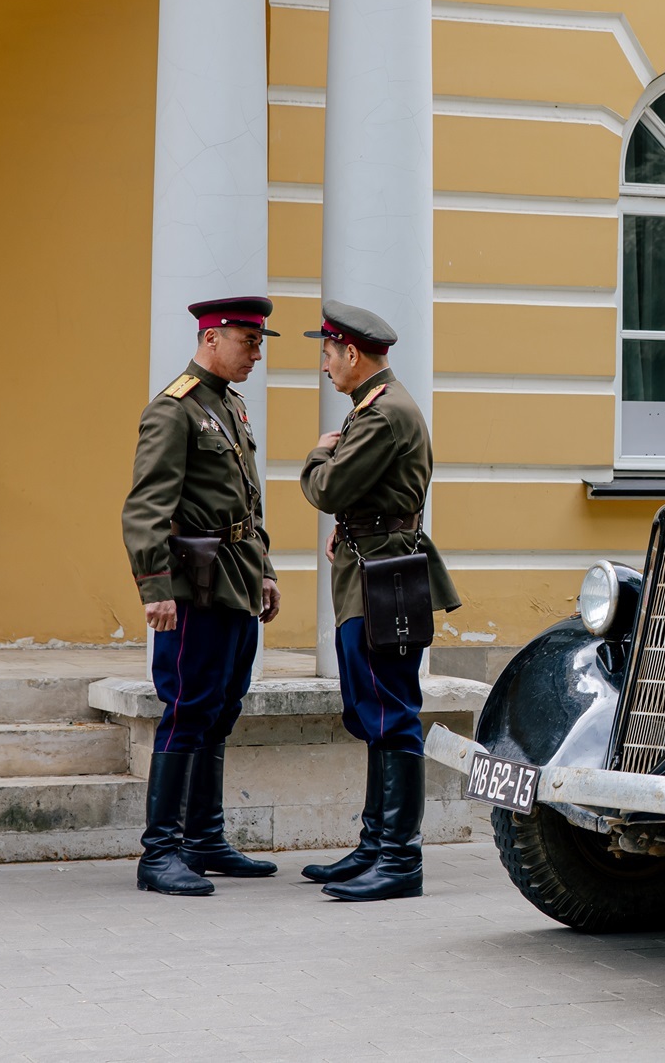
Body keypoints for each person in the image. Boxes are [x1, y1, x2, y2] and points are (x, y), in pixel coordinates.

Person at [121, 297, 283, 896]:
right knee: (187, 709)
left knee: (222, 708)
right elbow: (146, 508)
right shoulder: (174, 410)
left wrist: (265, 571)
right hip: (192, 587)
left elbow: (250, 501)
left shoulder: (229, 406)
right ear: (212, 337)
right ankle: (158, 853)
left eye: (260, 342)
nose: (257, 354)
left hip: (236, 580)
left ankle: (204, 838)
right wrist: (155, 588)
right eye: (249, 341)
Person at [298, 300, 459, 902]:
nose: (323, 365)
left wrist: (319, 452)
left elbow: (329, 486)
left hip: (381, 580)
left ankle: (399, 859)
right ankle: (375, 845)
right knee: (376, 713)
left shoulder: (381, 414)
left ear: (352, 354)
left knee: (392, 716)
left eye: (327, 353)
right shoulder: (379, 407)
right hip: (373, 572)